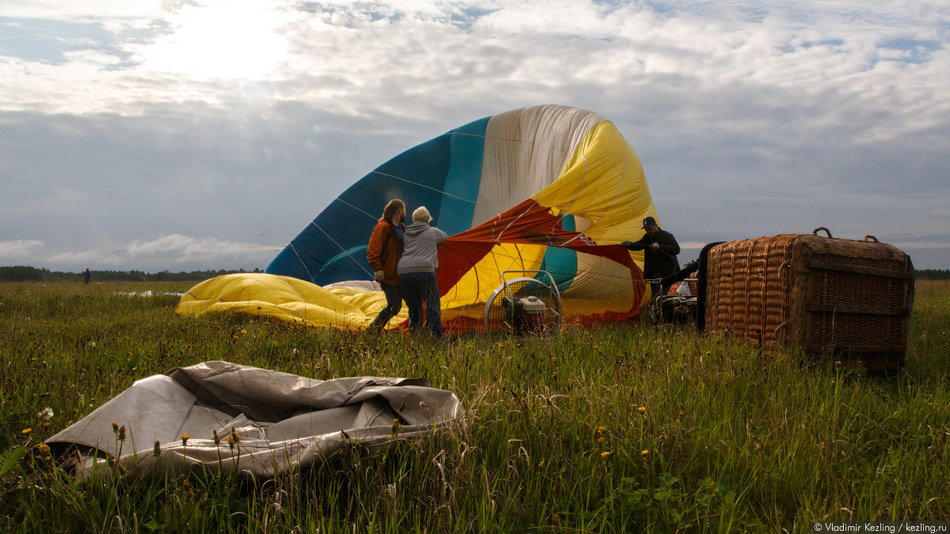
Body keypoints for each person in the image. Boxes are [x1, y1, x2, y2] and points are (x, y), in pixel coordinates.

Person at [397, 206, 448, 338]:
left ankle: (414, 334)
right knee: (432, 303)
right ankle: (434, 335)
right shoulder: (433, 231)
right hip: (424, 271)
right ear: (427, 220)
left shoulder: (405, 232)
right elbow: (445, 237)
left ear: (413, 220)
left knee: (414, 306)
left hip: (404, 272)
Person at [367, 199, 407, 332]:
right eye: (404, 210)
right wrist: (377, 269)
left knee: (415, 304)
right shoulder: (383, 227)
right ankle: (372, 331)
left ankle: (416, 331)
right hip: (389, 275)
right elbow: (373, 249)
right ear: (400, 210)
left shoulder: (402, 228)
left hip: (402, 275)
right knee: (394, 307)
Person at [622, 216, 681, 296]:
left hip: (668, 272)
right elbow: (639, 245)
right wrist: (629, 245)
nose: (649, 231)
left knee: (663, 296)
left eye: (650, 229)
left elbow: (676, 249)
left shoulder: (667, 236)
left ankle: (664, 307)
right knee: (655, 296)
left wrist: (660, 246)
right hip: (655, 273)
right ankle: (656, 307)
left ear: (656, 226)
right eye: (646, 230)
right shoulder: (647, 238)